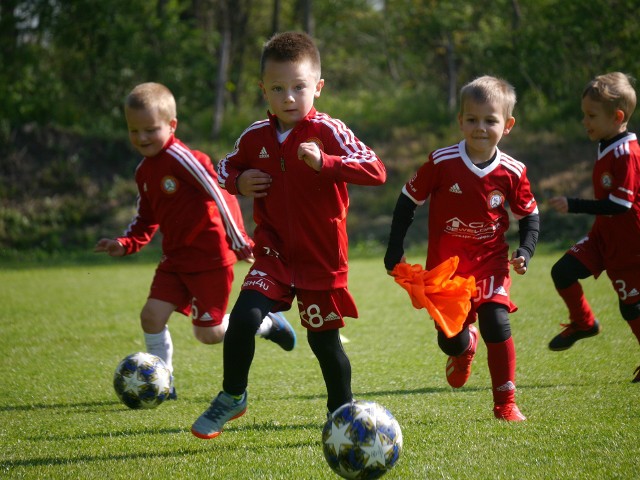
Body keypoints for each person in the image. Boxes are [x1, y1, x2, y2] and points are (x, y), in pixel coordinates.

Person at [190, 32, 386, 439]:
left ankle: (341, 415)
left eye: (299, 87)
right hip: (273, 254)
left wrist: (327, 163)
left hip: (321, 259)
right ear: (264, 89)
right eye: (278, 89)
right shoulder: (255, 136)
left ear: (318, 87)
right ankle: (233, 396)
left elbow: (375, 169)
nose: (289, 97)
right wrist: (240, 181)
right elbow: (223, 168)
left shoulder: (330, 131)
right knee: (243, 318)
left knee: (325, 345)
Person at [95, 82, 297, 399]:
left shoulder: (184, 158)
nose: (142, 138)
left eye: (150, 129)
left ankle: (268, 324)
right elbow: (146, 216)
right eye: (134, 131)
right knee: (150, 317)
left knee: (210, 334)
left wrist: (239, 240)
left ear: (172, 125)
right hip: (175, 260)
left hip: (210, 260)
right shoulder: (144, 171)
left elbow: (220, 193)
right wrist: (126, 243)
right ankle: (164, 383)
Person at [384, 76, 540, 421]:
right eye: (472, 119)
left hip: (490, 262)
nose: (480, 128)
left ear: (508, 125)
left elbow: (530, 217)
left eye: (490, 120)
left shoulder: (514, 172)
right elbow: (407, 202)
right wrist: (394, 248)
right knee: (448, 339)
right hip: (447, 269)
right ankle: (463, 348)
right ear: (461, 121)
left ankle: (506, 404)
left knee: (496, 322)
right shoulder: (441, 162)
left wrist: (525, 252)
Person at [547, 72, 640, 382]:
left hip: (630, 242)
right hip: (604, 235)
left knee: (630, 308)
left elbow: (621, 205)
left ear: (617, 116)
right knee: (562, 271)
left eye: (591, 116)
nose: (585, 121)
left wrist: (574, 205)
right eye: (583, 114)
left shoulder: (627, 154)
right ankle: (584, 322)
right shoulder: (606, 143)